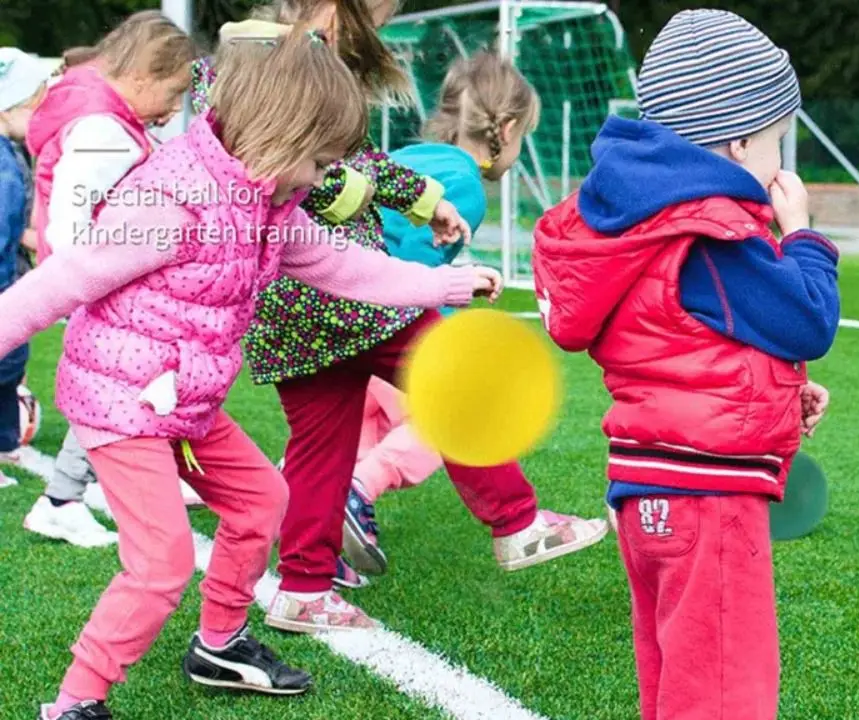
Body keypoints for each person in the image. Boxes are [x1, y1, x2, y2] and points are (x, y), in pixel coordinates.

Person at [0, 30, 502, 720]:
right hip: (122, 403)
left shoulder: (267, 199)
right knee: (162, 562)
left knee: (264, 499)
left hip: (185, 401)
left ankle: (220, 643)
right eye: (323, 160)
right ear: (280, 134)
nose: (329, 177)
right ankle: (71, 709)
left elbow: (343, 266)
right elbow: (57, 284)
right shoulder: (172, 200)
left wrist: (448, 284)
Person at [533, 9, 840, 720]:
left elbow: (691, 342)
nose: (782, 162)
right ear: (739, 138)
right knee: (722, 661)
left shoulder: (645, 220)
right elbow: (805, 317)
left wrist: (781, 399)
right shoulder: (710, 229)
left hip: (655, 480)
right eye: (778, 139)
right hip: (705, 492)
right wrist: (804, 234)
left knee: (679, 658)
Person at [194, 2, 607, 634]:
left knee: (320, 449)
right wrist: (401, 209)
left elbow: (343, 160)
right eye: (372, 15)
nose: (374, 31)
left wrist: (421, 200)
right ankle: (517, 524)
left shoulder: (231, 65)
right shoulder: (282, 62)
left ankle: (304, 588)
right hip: (344, 296)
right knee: (456, 387)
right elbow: (311, 168)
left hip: (283, 306)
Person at [343, 51, 563, 580]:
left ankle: (317, 526)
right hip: (383, 318)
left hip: (340, 311)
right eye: (522, 136)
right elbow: (407, 266)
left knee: (362, 429)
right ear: (505, 129)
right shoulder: (462, 182)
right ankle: (357, 491)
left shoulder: (415, 156)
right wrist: (449, 294)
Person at [23, 11, 198, 548]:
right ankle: (61, 499)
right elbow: (73, 218)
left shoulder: (105, 116)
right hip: (99, 285)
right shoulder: (103, 128)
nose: (173, 114)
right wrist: (88, 282)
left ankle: (77, 492)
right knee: (120, 387)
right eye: (172, 94)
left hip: (97, 282)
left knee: (124, 384)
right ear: (143, 74)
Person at [0, 49, 50, 487]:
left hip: (11, 279)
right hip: (3, 286)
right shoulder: (4, 168)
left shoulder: (11, 154)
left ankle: (5, 441)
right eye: (33, 107)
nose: (38, 117)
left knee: (12, 363)